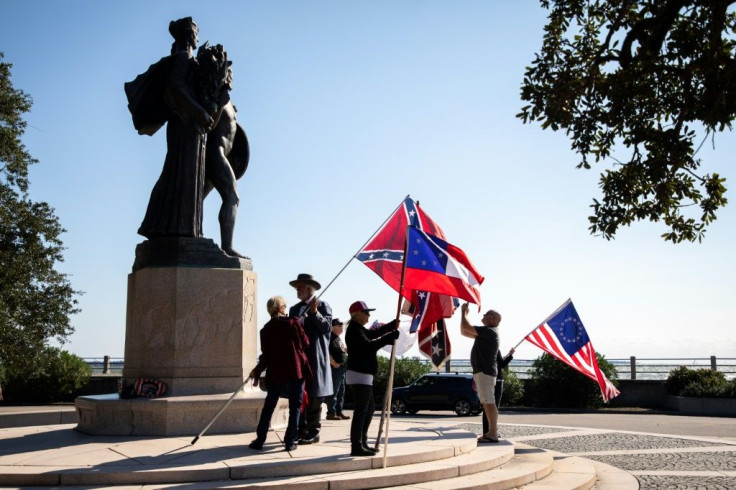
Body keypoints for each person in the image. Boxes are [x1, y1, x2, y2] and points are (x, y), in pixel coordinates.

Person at [126, 17, 219, 239]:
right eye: (196, 33)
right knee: (182, 174)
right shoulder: (183, 58)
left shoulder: (183, 59)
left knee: (178, 173)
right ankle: (180, 231)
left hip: (188, 125)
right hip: (186, 126)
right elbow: (174, 86)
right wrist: (200, 111)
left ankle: (178, 229)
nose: (198, 37)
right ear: (189, 35)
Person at [248, 296, 310, 452]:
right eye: (285, 305)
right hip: (295, 371)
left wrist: (257, 370)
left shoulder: (266, 330)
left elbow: (266, 356)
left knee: (269, 406)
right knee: (295, 406)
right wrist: (299, 325)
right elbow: (305, 343)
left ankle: (260, 439)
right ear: (281, 308)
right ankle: (290, 441)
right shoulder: (293, 323)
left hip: (276, 373)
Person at [345, 301, 399, 456]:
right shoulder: (354, 330)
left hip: (363, 376)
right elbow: (369, 345)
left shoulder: (358, 329)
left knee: (367, 411)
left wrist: (390, 326)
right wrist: (388, 338)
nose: (369, 315)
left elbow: (373, 334)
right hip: (359, 375)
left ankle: (362, 442)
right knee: (362, 411)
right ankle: (356, 446)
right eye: (366, 312)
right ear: (357, 314)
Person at [288, 273, 333, 444]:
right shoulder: (294, 309)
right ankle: (301, 429)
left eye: (300, 287)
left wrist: (315, 314)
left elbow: (327, 328)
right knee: (300, 395)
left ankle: (313, 431)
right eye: (296, 287)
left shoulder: (323, 306)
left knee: (315, 396)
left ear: (309, 288)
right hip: (298, 359)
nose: (297, 290)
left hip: (315, 359)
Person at [460, 302, 501, 443]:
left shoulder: (489, 331)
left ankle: (493, 433)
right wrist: (463, 315)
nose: (483, 315)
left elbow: (466, 327)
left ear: (494, 319)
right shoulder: (486, 333)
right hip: (483, 372)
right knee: (486, 401)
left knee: (489, 402)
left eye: (487, 314)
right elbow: (464, 331)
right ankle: (491, 432)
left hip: (485, 371)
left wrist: (464, 313)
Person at [481, 347, 515, 438]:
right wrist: (510, 355)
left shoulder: (482, 349)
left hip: (486, 380)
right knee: (494, 407)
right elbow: (502, 364)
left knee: (487, 406)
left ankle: (486, 431)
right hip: (497, 380)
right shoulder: (495, 348)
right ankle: (492, 431)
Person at [326, 318, 349, 420]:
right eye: (339, 326)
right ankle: (331, 412)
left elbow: (341, 350)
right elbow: (326, 352)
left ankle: (339, 411)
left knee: (341, 391)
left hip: (342, 368)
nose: (342, 328)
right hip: (335, 368)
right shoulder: (329, 338)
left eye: (342, 326)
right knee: (334, 391)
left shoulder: (338, 338)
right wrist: (334, 363)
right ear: (333, 327)